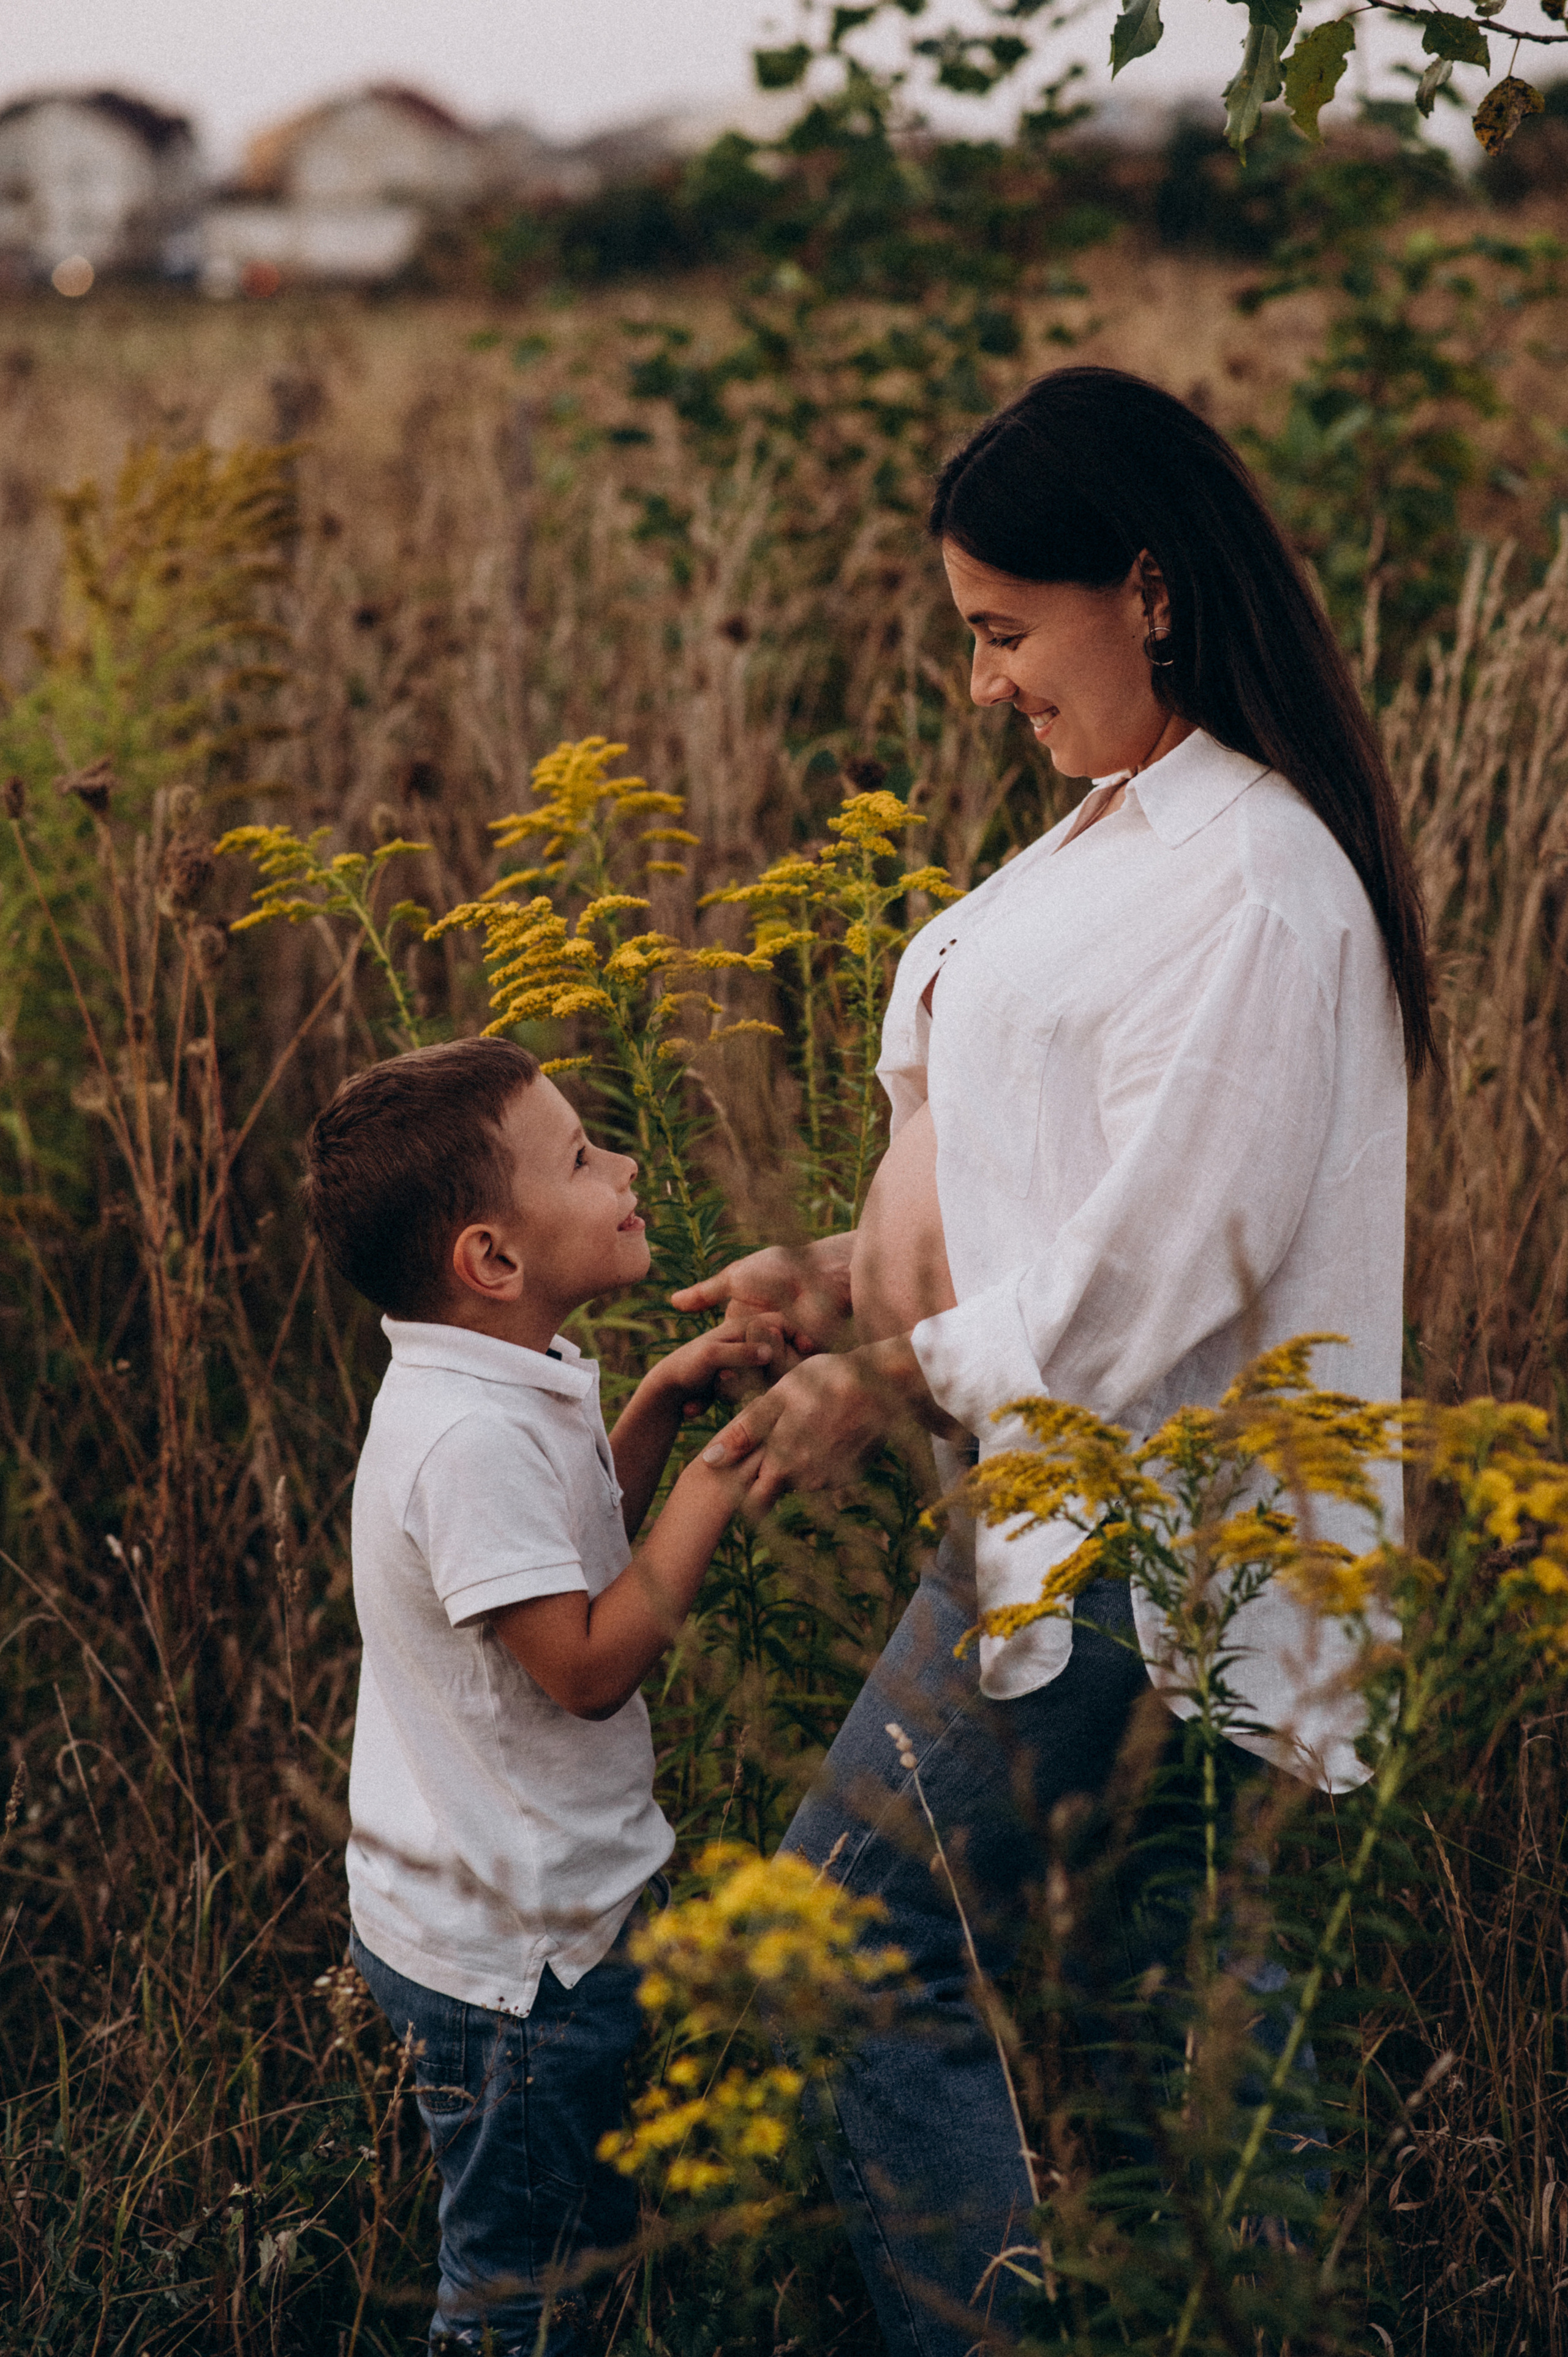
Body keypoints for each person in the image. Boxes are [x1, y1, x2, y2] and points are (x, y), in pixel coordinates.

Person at [679, 365, 1431, 2355]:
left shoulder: (1258, 880)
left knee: (854, 1933)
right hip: (1067, 1504)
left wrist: (890, 1371)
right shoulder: (1131, 832)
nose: (988, 682)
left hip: (1154, 1527)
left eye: (1008, 631)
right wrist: (833, 1273)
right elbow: (1061, 1184)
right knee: (1176, 2062)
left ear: (1152, 586)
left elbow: (1169, 1259)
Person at [303, 1038, 771, 2357]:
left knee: (572, 2244)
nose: (621, 1166)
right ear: (490, 1260)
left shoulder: (507, 1368)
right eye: (579, 1157)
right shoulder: (465, 1440)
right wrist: (720, 1480)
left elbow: (560, 1569)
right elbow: (579, 1665)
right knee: (522, 2301)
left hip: (522, 1920)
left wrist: (667, 1407)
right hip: (512, 1975)